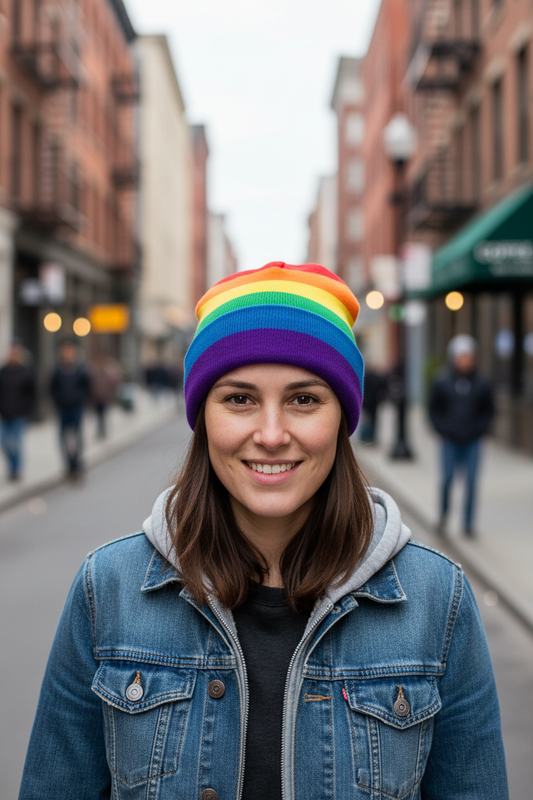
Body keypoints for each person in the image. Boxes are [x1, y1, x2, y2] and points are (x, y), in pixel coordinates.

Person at [20, 263, 508, 799]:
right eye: (239, 398)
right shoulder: (106, 591)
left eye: (304, 399)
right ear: (202, 416)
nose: (271, 435)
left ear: (341, 416)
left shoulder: (438, 602)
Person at [429, 334, 495, 537]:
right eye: (461, 356)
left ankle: (468, 524)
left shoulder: (482, 384)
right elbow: (434, 410)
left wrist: (480, 430)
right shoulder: (442, 382)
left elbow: (489, 411)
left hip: (472, 441)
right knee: (447, 479)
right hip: (450, 440)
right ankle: (444, 516)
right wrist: (442, 430)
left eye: (468, 356)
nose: (465, 361)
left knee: (471, 482)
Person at [50, 339, 91, 479]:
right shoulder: (58, 371)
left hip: (76, 408)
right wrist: (58, 401)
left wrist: (79, 399)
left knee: (77, 436)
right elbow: (51, 389)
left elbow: (87, 388)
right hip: (63, 409)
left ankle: (76, 463)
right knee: (63, 438)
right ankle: (69, 464)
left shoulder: (80, 371)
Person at [0, 340, 35, 481]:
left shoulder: (25, 372)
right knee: (4, 442)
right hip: (5, 413)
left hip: (19, 414)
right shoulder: (3, 371)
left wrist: (26, 409)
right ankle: (12, 466)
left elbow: (32, 394)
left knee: (16, 443)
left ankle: (16, 470)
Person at [89, 354, 121, 439]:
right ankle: (100, 431)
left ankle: (103, 431)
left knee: (102, 415)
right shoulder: (95, 374)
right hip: (97, 398)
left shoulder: (106, 374)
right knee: (99, 415)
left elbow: (113, 383)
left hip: (104, 398)